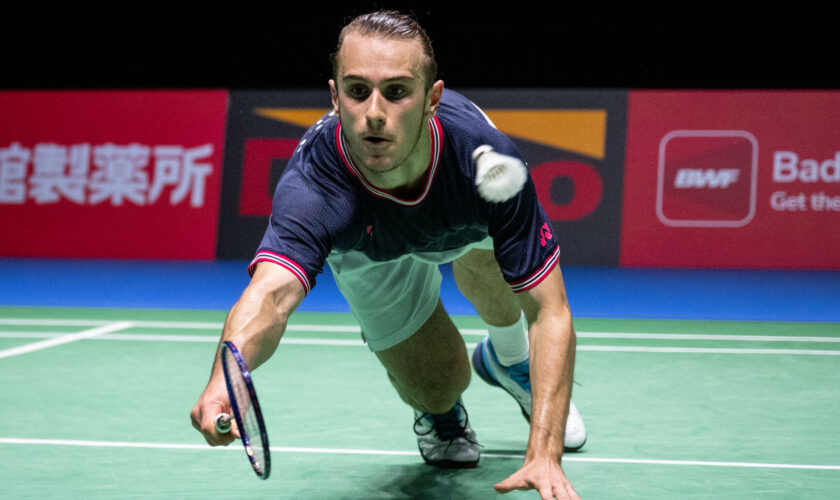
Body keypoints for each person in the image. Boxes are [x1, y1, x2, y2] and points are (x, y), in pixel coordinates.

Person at [191, 10, 585, 499]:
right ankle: (441, 415)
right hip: (370, 250)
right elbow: (270, 295)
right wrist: (226, 376)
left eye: (397, 92)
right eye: (357, 91)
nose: (374, 112)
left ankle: (509, 359)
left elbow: (549, 310)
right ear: (335, 98)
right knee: (441, 380)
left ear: (431, 100)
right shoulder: (315, 185)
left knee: (501, 270)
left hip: (460, 212)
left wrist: (543, 454)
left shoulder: (487, 162)